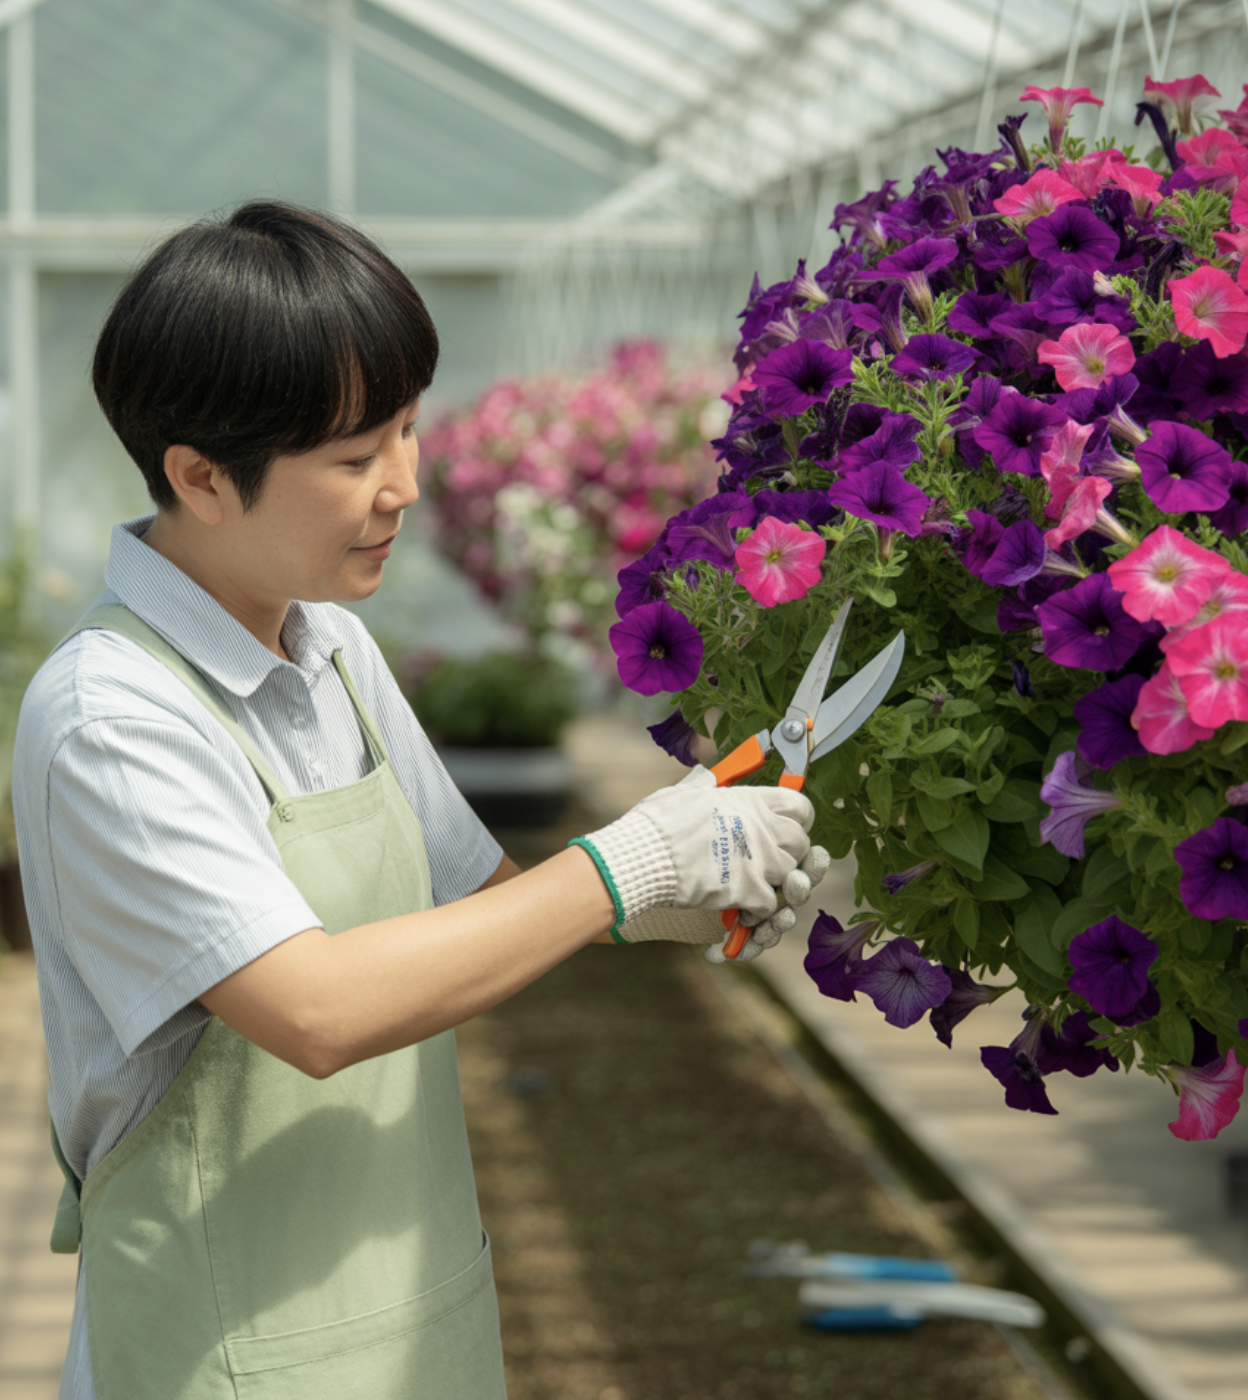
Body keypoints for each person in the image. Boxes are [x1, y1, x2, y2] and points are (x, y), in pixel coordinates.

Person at [12, 201, 828, 1400]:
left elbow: (488, 898)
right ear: (200, 476)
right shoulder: (116, 717)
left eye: (405, 430)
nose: (402, 484)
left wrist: (689, 889)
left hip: (409, 1310)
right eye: (353, 458)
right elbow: (318, 1007)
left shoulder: (332, 649)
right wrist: (631, 860)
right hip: (220, 1344)